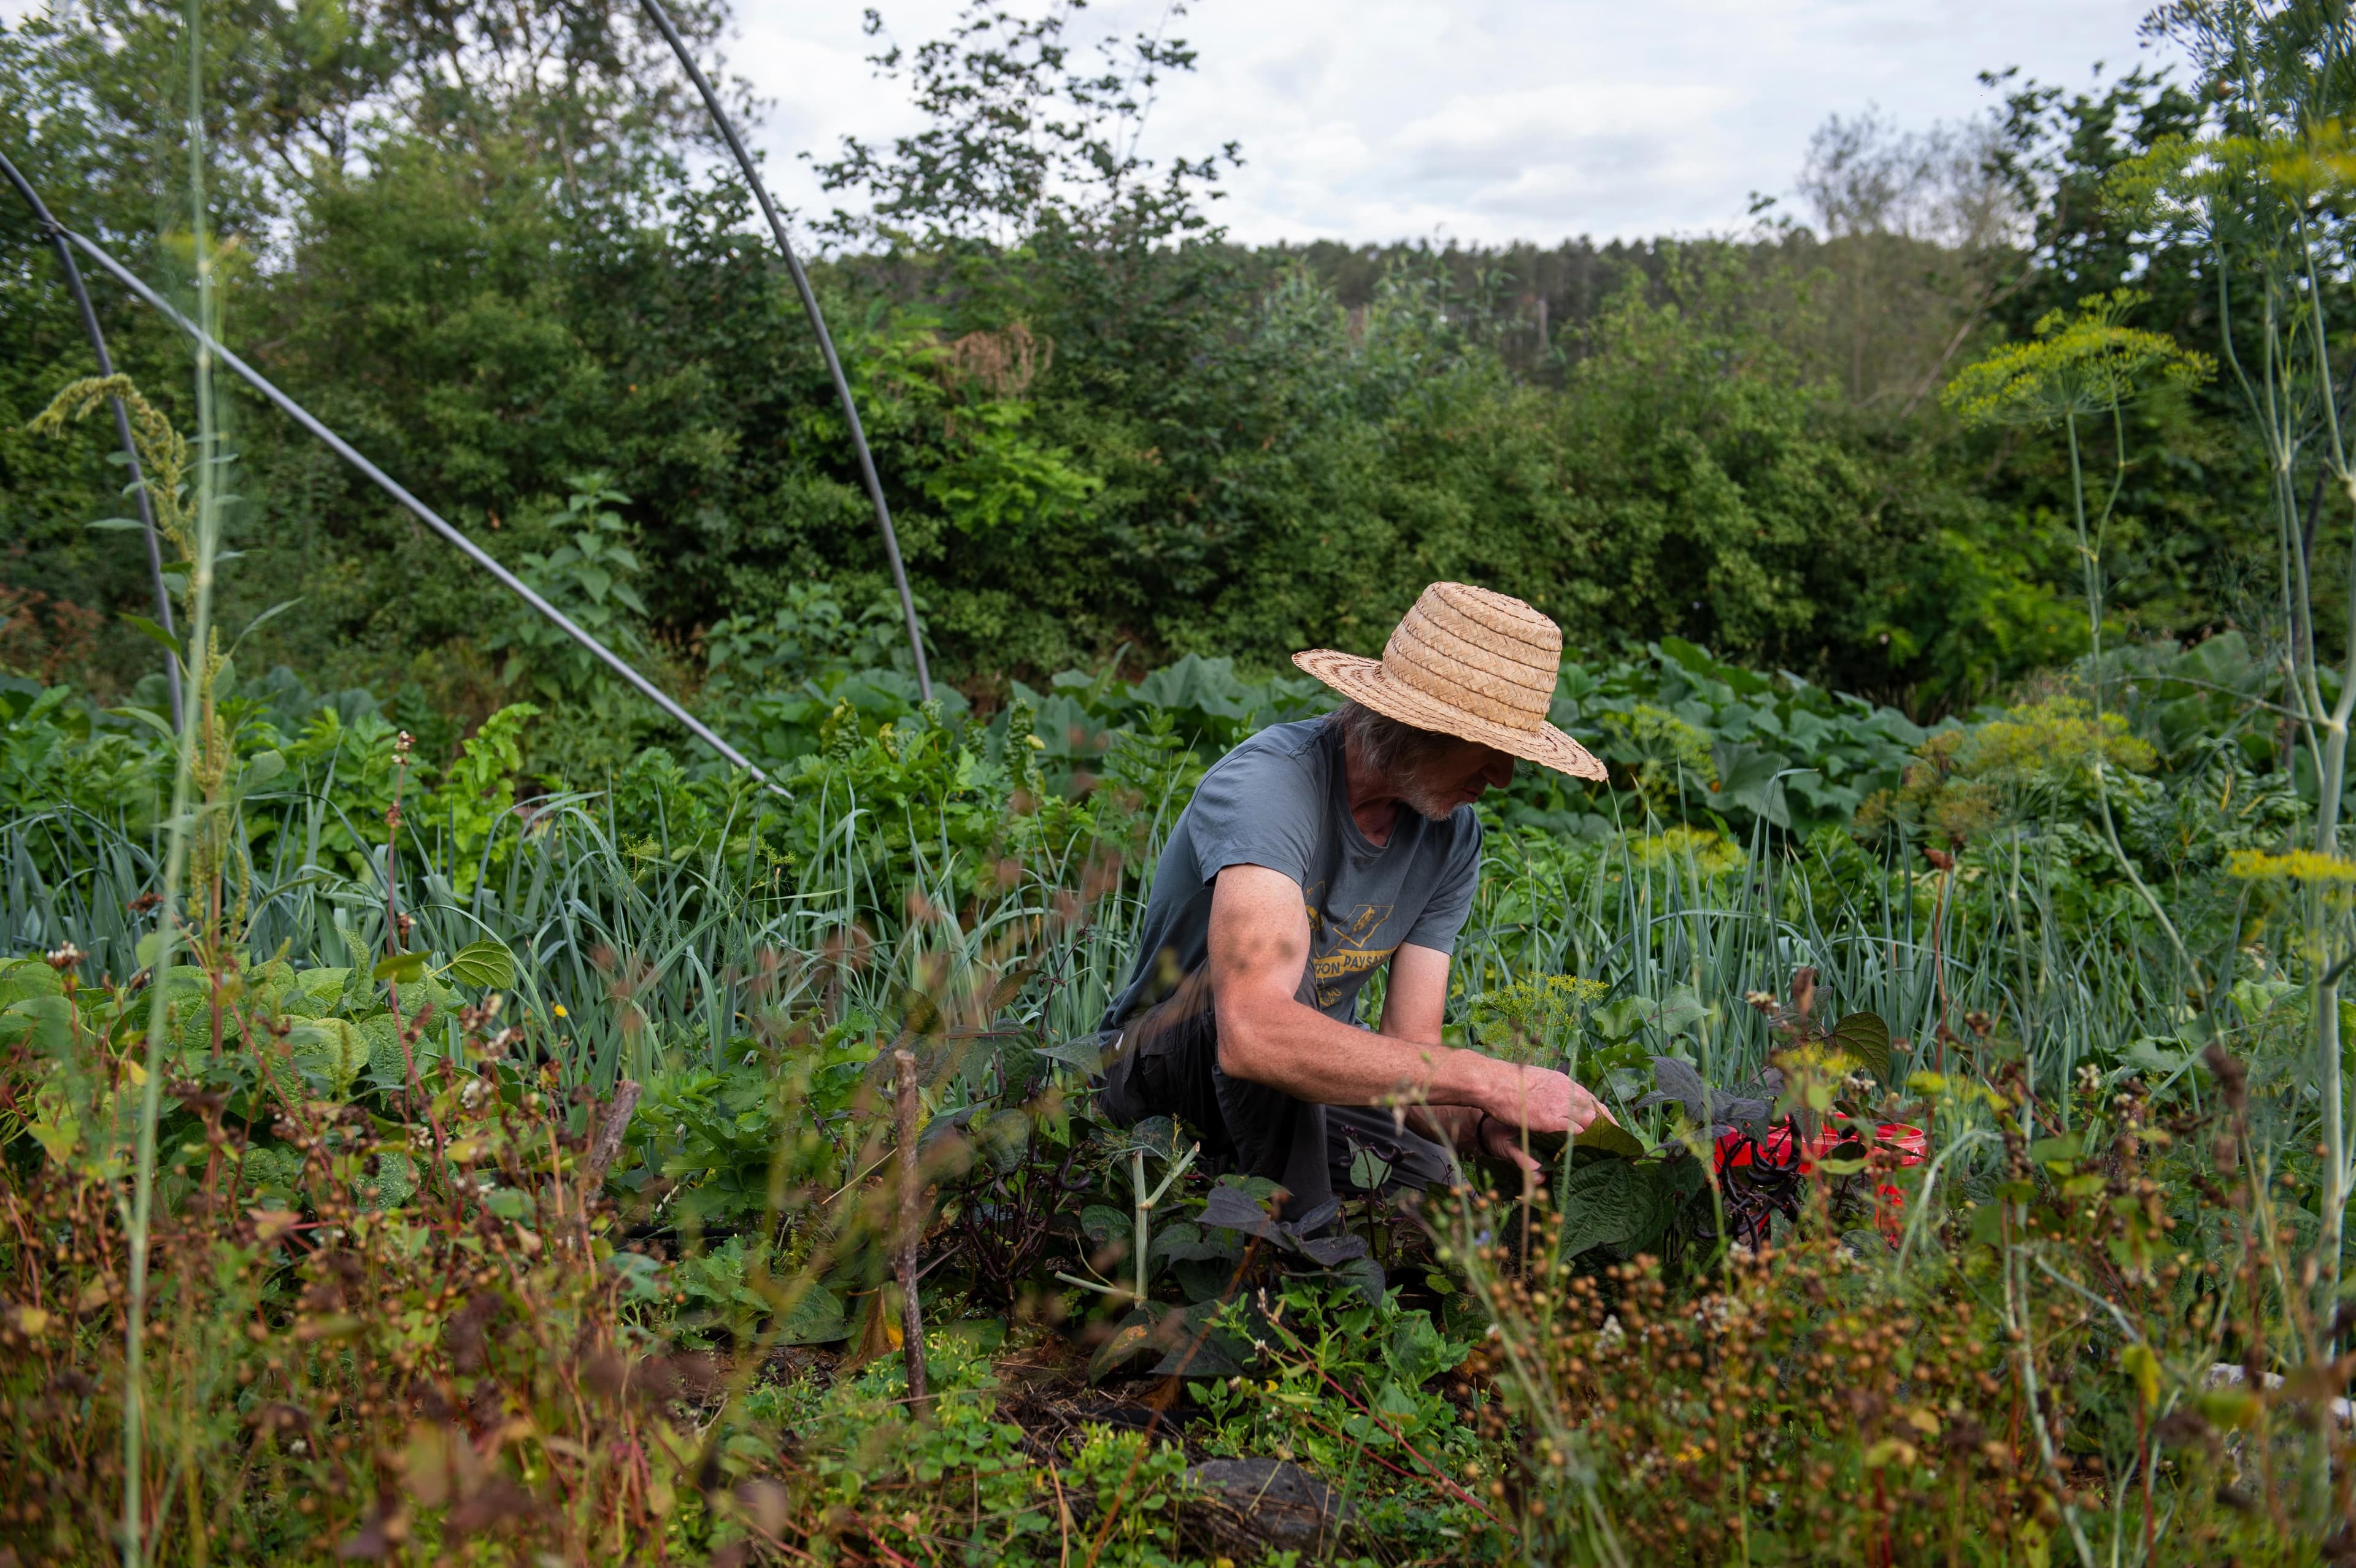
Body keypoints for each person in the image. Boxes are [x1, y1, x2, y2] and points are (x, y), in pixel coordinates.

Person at [1094, 581, 1614, 1222]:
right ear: (1423, 725)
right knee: (1279, 987)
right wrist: (1491, 1078)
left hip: (1292, 1090)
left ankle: (1291, 1224)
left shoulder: (1450, 838)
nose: (1503, 776)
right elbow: (1251, 1035)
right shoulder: (1271, 787)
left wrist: (1480, 1125)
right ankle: (1304, 1256)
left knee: (1432, 1196)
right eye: (1493, 749)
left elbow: (1411, 1047)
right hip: (1156, 1068)